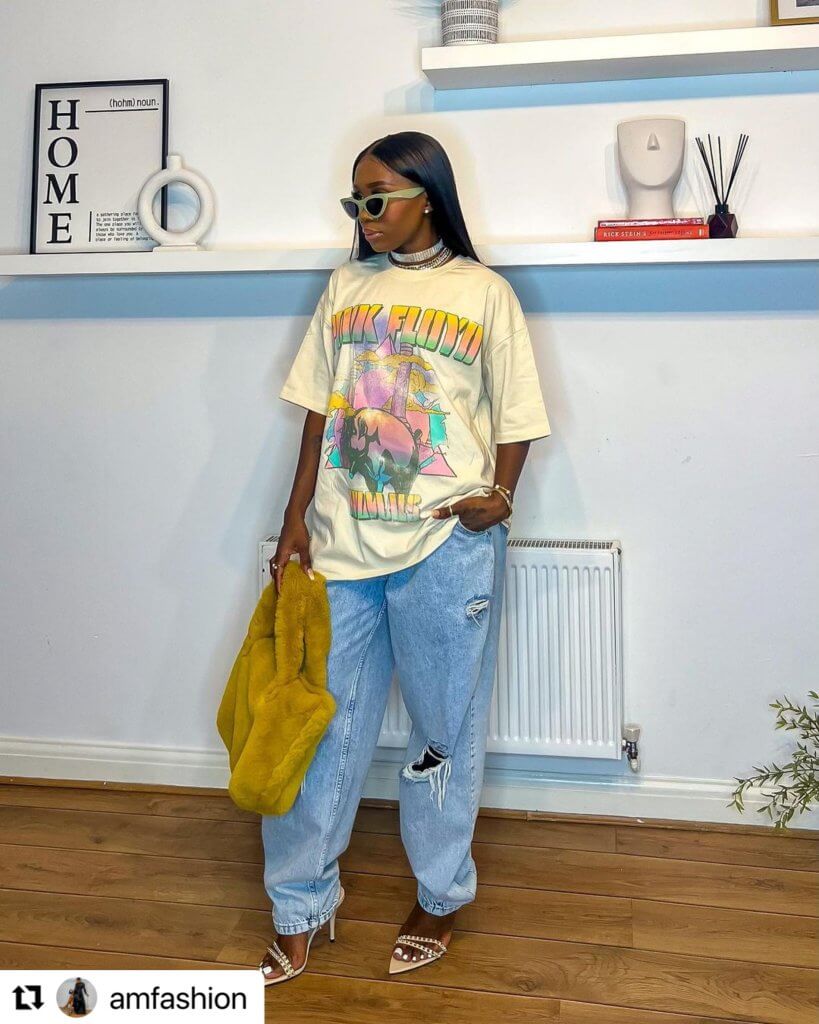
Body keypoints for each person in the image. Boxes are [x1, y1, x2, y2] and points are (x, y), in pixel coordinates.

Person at [259, 131, 552, 983]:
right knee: (317, 729)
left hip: (443, 542)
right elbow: (318, 410)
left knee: (441, 734)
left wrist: (498, 499)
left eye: (378, 197)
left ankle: (439, 895)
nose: (365, 214)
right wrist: (293, 518)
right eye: (355, 201)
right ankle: (300, 903)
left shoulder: (484, 293)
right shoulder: (345, 287)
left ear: (427, 196)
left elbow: (517, 412)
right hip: (341, 540)